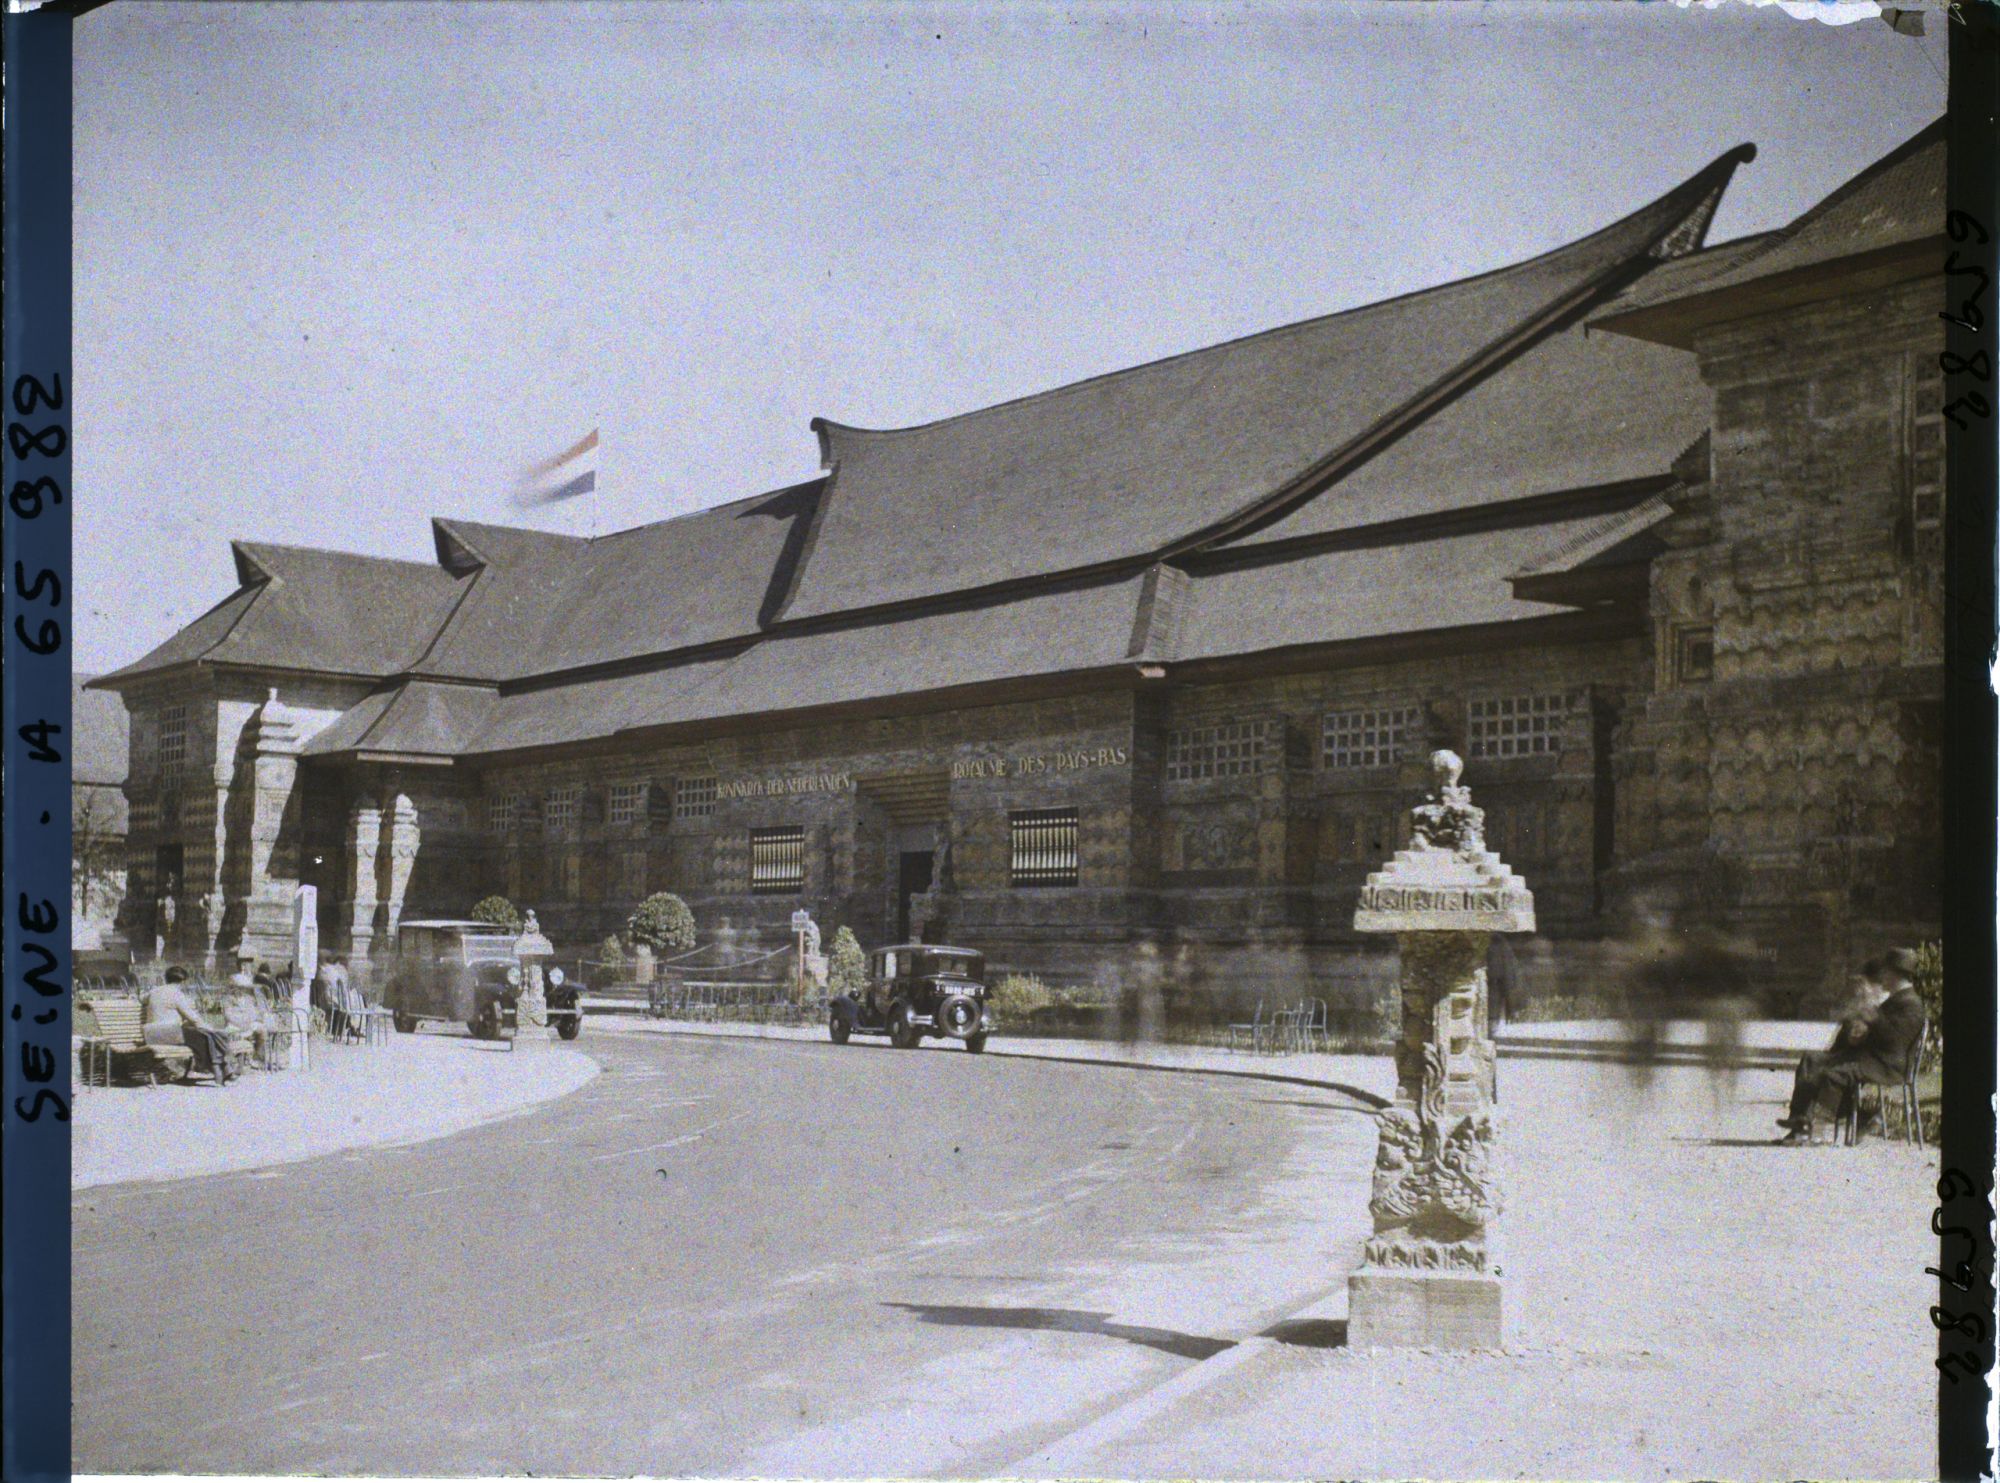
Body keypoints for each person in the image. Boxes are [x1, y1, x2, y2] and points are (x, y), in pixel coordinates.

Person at [1777, 949, 1926, 1143]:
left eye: (1886, 972)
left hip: (1887, 1065)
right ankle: (1799, 1123)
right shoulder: (1895, 1001)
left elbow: (1893, 1041)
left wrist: (1872, 1017)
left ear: (1897, 974)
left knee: (1836, 1075)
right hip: (1870, 1057)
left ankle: (1818, 1129)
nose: (1883, 977)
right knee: (1811, 1060)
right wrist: (1855, 1032)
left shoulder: (1912, 1004)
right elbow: (1877, 1031)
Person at [144, 965, 236, 1086]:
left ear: (166, 979)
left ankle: (223, 1069)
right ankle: (220, 1069)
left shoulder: (155, 991)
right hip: (168, 1034)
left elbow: (142, 998)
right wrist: (209, 1027)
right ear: (182, 981)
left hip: (152, 1033)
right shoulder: (176, 994)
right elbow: (194, 1019)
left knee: (206, 1036)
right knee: (205, 1036)